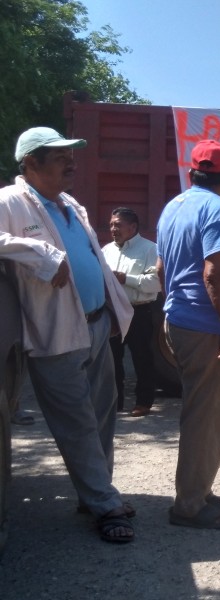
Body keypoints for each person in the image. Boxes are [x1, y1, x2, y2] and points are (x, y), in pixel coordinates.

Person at [0, 126, 134, 543]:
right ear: (31, 164)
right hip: (54, 334)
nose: (70, 162)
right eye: (59, 157)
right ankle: (105, 504)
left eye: (69, 155)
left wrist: (110, 307)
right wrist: (39, 253)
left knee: (102, 415)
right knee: (76, 421)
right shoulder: (8, 201)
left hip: (94, 322)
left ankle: (96, 493)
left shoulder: (69, 203)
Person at [156, 139, 220, 529]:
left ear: (193, 173)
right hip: (207, 330)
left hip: (185, 321)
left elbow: (163, 268)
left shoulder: (174, 207)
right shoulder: (219, 211)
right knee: (205, 417)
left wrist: (175, 308)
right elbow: (215, 274)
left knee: (207, 415)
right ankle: (190, 505)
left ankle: (200, 489)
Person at [101, 207, 160, 416]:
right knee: (111, 359)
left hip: (139, 312)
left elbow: (156, 284)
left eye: (117, 224)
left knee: (142, 357)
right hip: (113, 311)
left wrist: (126, 279)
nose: (113, 229)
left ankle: (144, 402)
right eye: (111, 225)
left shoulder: (150, 249)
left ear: (132, 227)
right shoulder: (106, 250)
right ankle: (114, 403)